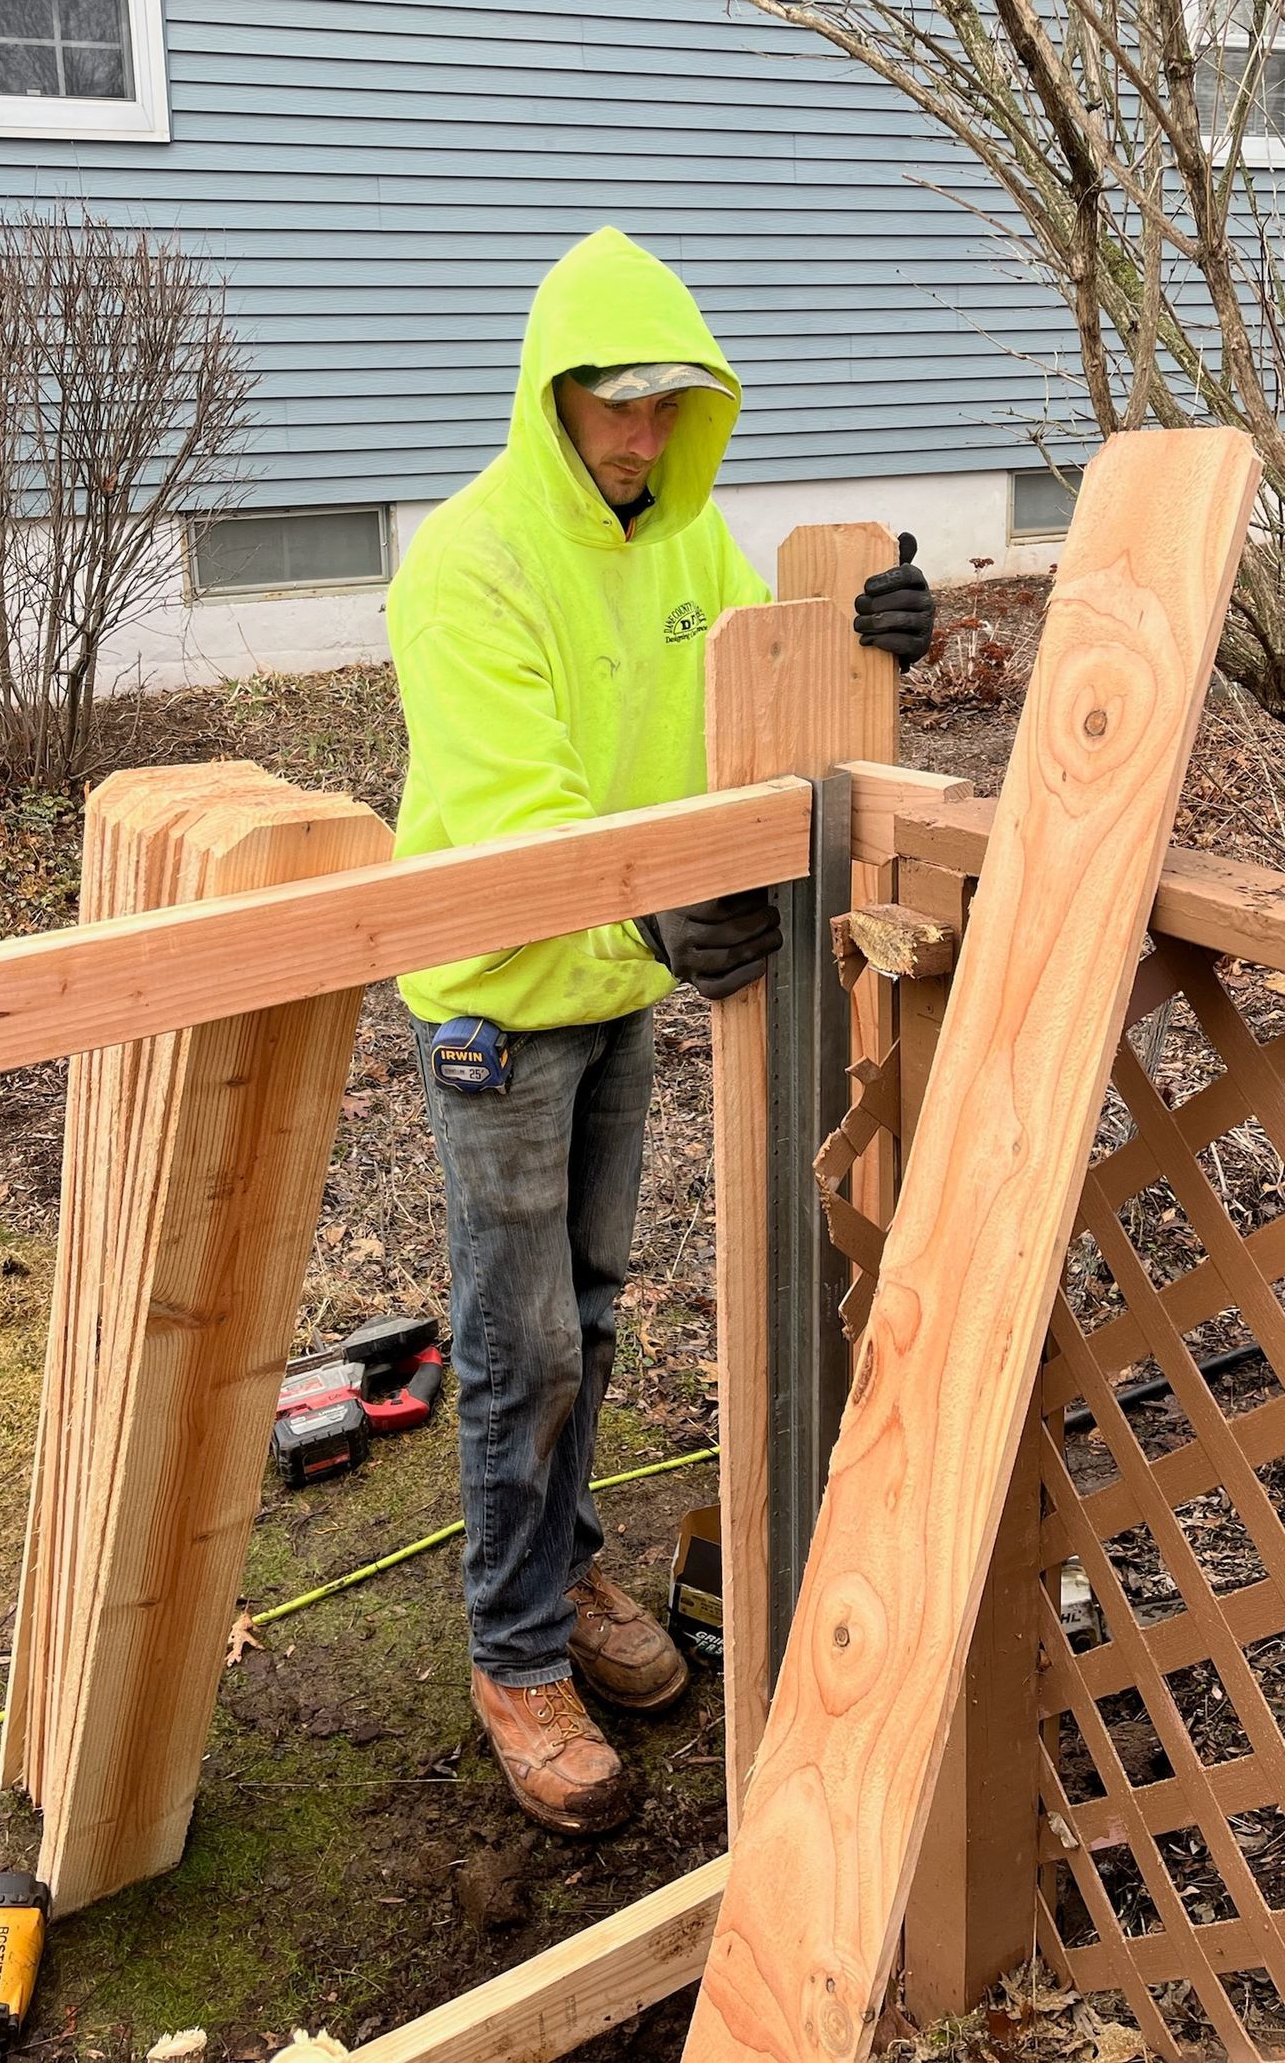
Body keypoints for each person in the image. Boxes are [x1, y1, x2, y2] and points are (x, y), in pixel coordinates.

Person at [386, 227, 933, 1834]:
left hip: (619, 987)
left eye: (667, 410)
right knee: (521, 1343)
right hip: (500, 996)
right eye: (612, 408)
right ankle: (514, 1654)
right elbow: (509, 820)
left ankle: (568, 1572)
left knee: (599, 1315)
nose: (639, 440)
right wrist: (641, 919)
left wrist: (875, 630)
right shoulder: (471, 563)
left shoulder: (689, 544)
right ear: (552, 399)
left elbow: (763, 693)